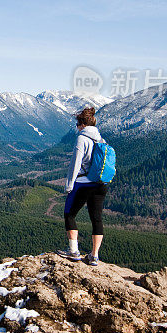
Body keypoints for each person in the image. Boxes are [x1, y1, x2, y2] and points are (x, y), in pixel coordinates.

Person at [57, 107, 108, 266]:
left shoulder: (81, 138)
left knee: (69, 214)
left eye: (77, 124)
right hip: (101, 184)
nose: (77, 127)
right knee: (96, 218)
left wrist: (69, 185)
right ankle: (94, 256)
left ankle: (73, 251)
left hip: (83, 184)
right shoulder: (101, 139)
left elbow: (75, 164)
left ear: (81, 124)